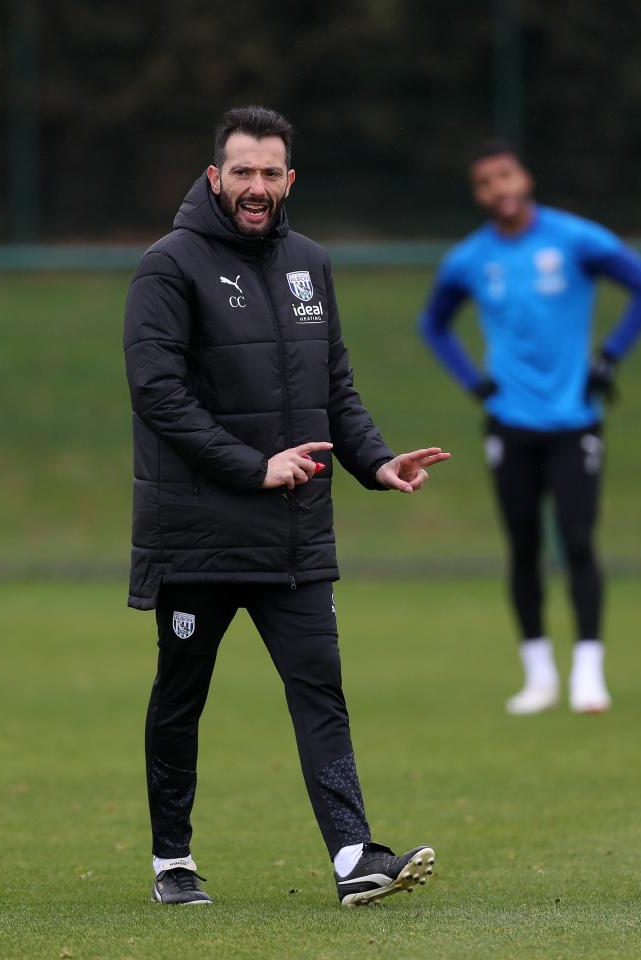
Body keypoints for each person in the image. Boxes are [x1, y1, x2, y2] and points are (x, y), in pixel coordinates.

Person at [124, 105, 450, 907]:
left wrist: (377, 463)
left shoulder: (310, 264)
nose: (257, 186)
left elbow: (332, 388)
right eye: (243, 172)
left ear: (289, 180)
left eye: (271, 172)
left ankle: (352, 858)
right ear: (215, 178)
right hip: (198, 533)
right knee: (181, 695)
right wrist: (251, 467)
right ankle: (173, 860)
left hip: (294, 534)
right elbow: (157, 393)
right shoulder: (168, 266)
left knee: (320, 688)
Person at [419, 141, 641, 716]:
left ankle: (588, 672)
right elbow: (433, 325)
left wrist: (609, 359)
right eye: (485, 182)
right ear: (477, 194)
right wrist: (474, 382)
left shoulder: (575, 239)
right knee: (523, 545)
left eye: (505, 175)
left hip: (575, 419)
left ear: (524, 178)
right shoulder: (469, 260)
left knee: (579, 542)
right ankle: (538, 677)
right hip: (509, 422)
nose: (498, 189)